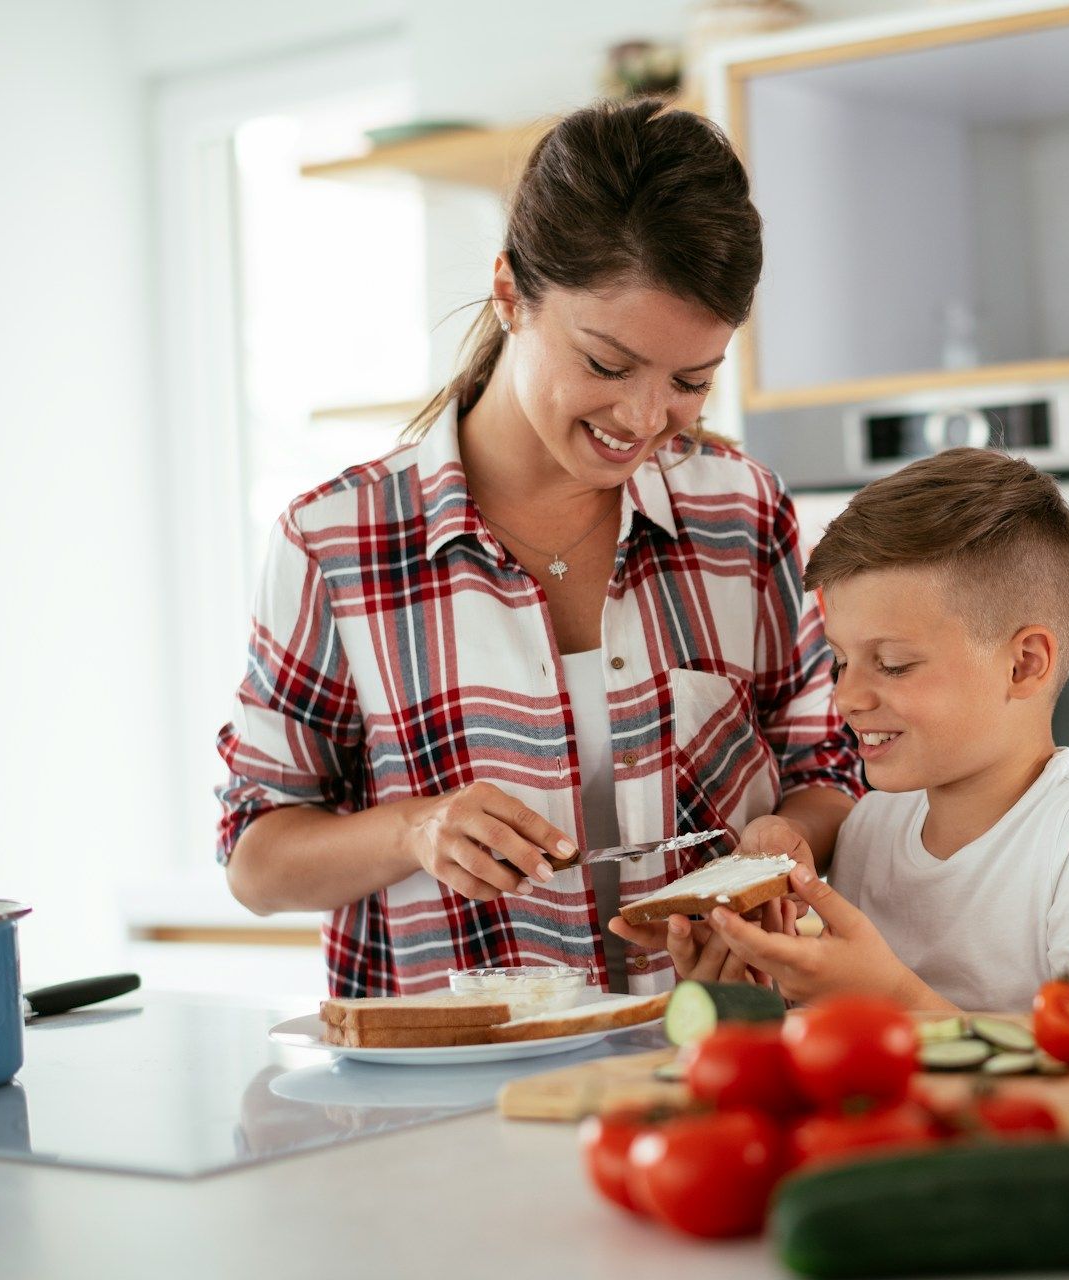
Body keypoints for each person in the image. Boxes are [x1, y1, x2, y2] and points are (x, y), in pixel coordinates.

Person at [215, 99, 862, 997]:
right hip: (451, 1097)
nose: (643, 420)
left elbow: (828, 769)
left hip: (719, 1055)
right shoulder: (335, 544)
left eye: (690, 381)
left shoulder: (741, 514)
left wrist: (783, 843)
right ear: (512, 295)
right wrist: (416, 831)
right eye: (605, 365)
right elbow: (256, 858)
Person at [615, 447, 1069, 1015]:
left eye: (893, 664)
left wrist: (890, 998)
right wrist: (746, 993)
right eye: (839, 662)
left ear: (1023, 664)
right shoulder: (871, 830)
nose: (847, 698)